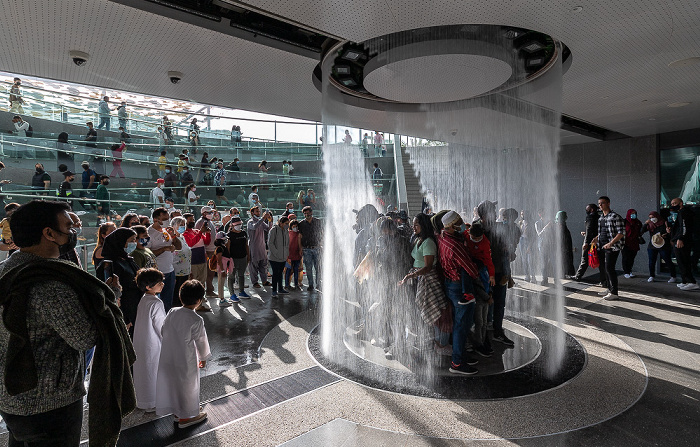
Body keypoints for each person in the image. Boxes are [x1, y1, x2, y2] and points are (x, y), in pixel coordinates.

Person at [0, 200, 135, 446]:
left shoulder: (6, 270)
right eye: (68, 226)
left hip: (11, 395)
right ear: (49, 234)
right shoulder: (50, 285)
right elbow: (84, 337)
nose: (74, 231)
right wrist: (111, 298)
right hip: (49, 402)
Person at [155, 280, 210, 428]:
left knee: (174, 385)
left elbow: (162, 331)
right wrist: (203, 358)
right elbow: (201, 342)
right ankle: (187, 418)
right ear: (199, 301)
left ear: (180, 296)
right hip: (185, 359)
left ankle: (178, 412)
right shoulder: (196, 319)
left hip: (168, 356)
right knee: (188, 385)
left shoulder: (173, 311)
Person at [398, 213, 450, 355]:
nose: (413, 227)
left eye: (416, 225)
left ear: (424, 226)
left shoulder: (428, 242)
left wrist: (411, 275)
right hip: (418, 279)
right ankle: (428, 340)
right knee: (423, 310)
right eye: (413, 224)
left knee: (436, 311)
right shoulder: (418, 239)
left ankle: (439, 343)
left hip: (428, 279)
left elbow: (427, 267)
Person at [437, 211, 479, 375]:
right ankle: (457, 363)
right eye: (459, 222)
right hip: (459, 287)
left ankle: (460, 355)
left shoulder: (442, 237)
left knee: (458, 324)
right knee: (462, 326)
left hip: (450, 285)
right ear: (452, 225)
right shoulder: (455, 246)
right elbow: (471, 270)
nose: (462, 223)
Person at [477, 200, 514, 346]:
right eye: (492, 210)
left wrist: (509, 251)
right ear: (484, 214)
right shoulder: (477, 228)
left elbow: (506, 246)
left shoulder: (499, 227)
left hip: (500, 272)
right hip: (484, 274)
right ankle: (484, 335)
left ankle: (497, 331)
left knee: (499, 303)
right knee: (485, 305)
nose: (494, 213)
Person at [132, 268, 166, 412]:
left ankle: (143, 401)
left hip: (140, 341)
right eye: (159, 283)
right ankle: (152, 402)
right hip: (152, 343)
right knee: (153, 370)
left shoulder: (144, 299)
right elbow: (161, 327)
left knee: (143, 372)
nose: (162, 284)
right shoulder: (156, 303)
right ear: (148, 286)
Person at [465, 222, 495, 358]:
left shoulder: (485, 244)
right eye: (473, 238)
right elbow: (478, 287)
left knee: (482, 321)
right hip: (480, 296)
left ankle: (482, 341)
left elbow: (489, 260)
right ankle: (478, 343)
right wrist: (488, 297)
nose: (475, 241)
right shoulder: (465, 235)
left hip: (484, 293)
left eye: (478, 239)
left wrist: (492, 275)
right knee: (478, 321)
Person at [591, 196, 626, 300]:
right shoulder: (601, 218)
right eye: (599, 204)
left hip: (613, 247)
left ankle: (614, 292)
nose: (600, 205)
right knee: (604, 268)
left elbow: (621, 233)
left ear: (608, 204)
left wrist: (611, 243)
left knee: (610, 268)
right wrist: (596, 238)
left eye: (602, 203)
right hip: (602, 246)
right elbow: (601, 231)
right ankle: (609, 288)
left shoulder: (615, 216)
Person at [148, 207, 183, 310]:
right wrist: (164, 249)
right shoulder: (149, 233)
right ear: (156, 219)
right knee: (156, 302)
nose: (167, 221)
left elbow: (179, 247)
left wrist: (174, 236)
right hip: (157, 272)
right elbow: (148, 254)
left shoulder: (166, 231)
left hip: (170, 271)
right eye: (165, 219)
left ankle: (166, 320)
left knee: (168, 301)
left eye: (168, 218)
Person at [669, 198, 698, 290]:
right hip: (681, 239)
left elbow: (684, 227)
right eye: (672, 203)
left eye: (675, 203)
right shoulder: (682, 212)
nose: (673, 205)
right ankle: (685, 280)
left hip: (682, 241)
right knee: (681, 261)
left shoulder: (683, 212)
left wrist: (680, 238)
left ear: (681, 203)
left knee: (683, 261)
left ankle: (691, 281)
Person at [642, 211, 676, 282]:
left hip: (663, 245)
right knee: (651, 261)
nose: (652, 219)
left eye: (653, 217)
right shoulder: (650, 224)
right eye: (650, 218)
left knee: (667, 260)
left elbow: (671, 233)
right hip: (653, 245)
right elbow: (641, 231)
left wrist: (668, 232)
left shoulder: (665, 223)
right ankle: (652, 275)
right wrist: (645, 224)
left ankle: (673, 276)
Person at [183, 212, 211, 292]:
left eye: (193, 219)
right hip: (193, 261)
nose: (193, 221)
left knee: (202, 280)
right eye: (190, 220)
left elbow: (206, 242)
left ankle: (201, 298)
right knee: (193, 282)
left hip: (202, 259)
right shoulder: (184, 234)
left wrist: (207, 233)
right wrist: (200, 232)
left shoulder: (196, 231)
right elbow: (190, 243)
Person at [226, 216, 251, 300]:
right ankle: (232, 294)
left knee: (241, 275)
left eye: (240, 224)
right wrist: (228, 260)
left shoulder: (243, 233)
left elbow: (246, 245)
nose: (238, 226)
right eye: (236, 224)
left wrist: (248, 256)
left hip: (243, 257)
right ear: (232, 225)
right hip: (233, 258)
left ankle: (241, 291)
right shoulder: (229, 235)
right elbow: (228, 248)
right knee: (231, 276)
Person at [298, 206, 322, 291]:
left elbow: (322, 233)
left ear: (311, 213)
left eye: (308, 213)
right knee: (308, 268)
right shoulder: (301, 224)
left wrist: (322, 244)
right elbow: (299, 237)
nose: (306, 215)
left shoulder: (318, 222)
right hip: (306, 249)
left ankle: (318, 285)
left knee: (318, 268)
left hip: (317, 248)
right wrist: (300, 248)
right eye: (305, 214)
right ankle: (311, 285)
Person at [247, 206, 272, 288]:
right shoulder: (250, 222)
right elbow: (255, 226)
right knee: (254, 266)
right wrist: (263, 218)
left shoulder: (260, 221)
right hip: (254, 247)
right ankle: (255, 282)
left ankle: (264, 281)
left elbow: (268, 228)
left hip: (262, 246)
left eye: (259, 211)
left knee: (263, 264)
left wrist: (270, 221)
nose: (258, 213)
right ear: (252, 213)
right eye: (257, 211)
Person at [170, 216, 192, 306]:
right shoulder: (171, 239)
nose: (183, 227)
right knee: (176, 294)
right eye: (180, 225)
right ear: (174, 226)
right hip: (176, 271)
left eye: (184, 225)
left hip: (185, 270)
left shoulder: (182, 237)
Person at [574, 204, 600, 281]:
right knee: (600, 261)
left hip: (590, 242)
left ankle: (578, 276)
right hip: (598, 241)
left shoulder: (590, 217)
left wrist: (586, 242)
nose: (586, 210)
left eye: (587, 209)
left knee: (584, 259)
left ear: (592, 209)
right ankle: (603, 280)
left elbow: (589, 229)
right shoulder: (599, 217)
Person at [268, 216, 290, 298]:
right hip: (274, 257)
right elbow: (270, 243)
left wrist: (286, 254)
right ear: (281, 223)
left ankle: (280, 288)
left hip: (283, 256)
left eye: (288, 223)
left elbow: (287, 244)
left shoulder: (286, 231)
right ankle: (274, 290)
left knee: (280, 273)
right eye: (286, 223)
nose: (287, 225)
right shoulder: (274, 230)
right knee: (275, 273)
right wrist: (276, 253)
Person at [212, 232, 235, 306]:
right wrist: (222, 271)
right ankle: (222, 300)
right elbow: (219, 260)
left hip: (223, 268)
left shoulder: (222, 247)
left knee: (221, 283)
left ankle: (222, 298)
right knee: (221, 284)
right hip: (221, 268)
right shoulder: (220, 248)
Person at [622, 209, 643, 278]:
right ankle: (626, 272)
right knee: (625, 258)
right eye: (632, 213)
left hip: (634, 243)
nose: (633, 215)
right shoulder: (624, 222)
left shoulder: (638, 222)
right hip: (626, 243)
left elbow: (641, 231)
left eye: (635, 213)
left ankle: (630, 271)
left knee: (632, 258)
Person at [555, 211, 575, 278]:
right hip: (566, 247)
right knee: (566, 259)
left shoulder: (561, 226)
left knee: (564, 260)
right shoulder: (564, 226)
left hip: (563, 247)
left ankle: (565, 273)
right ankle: (567, 273)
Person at [285, 219, 303, 290]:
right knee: (288, 271)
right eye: (294, 226)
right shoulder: (288, 233)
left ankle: (296, 284)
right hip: (289, 255)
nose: (295, 228)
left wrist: (300, 251)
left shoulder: (299, 234)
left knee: (296, 270)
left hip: (297, 255)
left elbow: (300, 244)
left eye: (296, 226)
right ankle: (287, 284)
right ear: (291, 227)